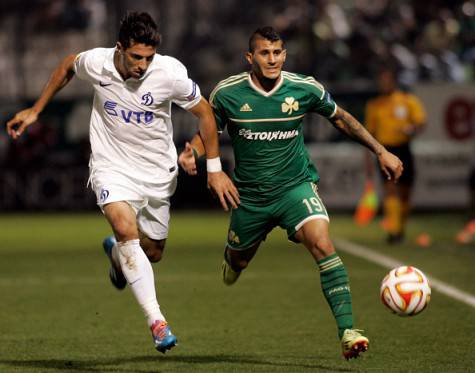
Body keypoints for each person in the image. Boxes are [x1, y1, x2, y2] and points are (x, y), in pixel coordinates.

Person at [6, 11, 239, 353]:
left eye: (148, 58)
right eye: (136, 57)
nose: (143, 65)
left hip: (158, 173)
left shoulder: (169, 74)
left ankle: (117, 255)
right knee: (125, 227)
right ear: (119, 48)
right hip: (110, 166)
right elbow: (68, 65)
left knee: (154, 251)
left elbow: (205, 113)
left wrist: (215, 168)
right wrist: (36, 109)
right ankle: (157, 322)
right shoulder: (98, 63)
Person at [178, 26, 403, 360]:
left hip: (294, 187)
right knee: (238, 261)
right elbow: (209, 127)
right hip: (250, 198)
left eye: (278, 52)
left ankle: (348, 331)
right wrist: (192, 153)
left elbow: (339, 118)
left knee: (322, 243)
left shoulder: (304, 87)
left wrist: (380, 150)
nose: (273, 59)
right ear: (250, 58)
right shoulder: (227, 93)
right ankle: (233, 260)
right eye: (265, 53)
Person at [365, 67, 426, 244]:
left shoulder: (408, 101)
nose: (384, 84)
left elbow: (420, 122)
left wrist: (411, 129)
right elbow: (368, 134)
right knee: (390, 188)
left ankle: (400, 229)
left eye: (387, 80)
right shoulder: (374, 105)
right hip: (386, 151)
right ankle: (394, 232)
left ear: (394, 81)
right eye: (381, 80)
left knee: (405, 193)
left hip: (404, 148)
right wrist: (368, 158)